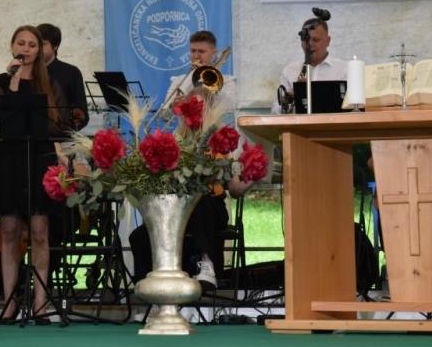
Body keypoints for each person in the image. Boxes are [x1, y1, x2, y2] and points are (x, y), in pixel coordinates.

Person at [131, 29, 250, 292]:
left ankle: (205, 264)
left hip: (208, 205)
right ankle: (147, 283)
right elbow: (165, 114)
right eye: (193, 51)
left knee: (199, 202)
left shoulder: (220, 124)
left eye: (201, 52)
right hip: (179, 205)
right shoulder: (179, 90)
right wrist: (182, 95)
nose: (196, 56)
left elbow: (226, 105)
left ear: (213, 53)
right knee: (140, 234)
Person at [0, 25, 67, 323]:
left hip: (39, 157)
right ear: (12, 47)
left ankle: (40, 302)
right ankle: (10, 302)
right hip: (9, 158)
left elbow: (59, 123)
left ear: (40, 50)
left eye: (32, 45)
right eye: (21, 43)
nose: (26, 49)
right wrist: (14, 78)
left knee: (39, 231)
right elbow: (4, 114)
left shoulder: (51, 84)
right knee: (9, 231)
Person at [271, 17, 346, 114]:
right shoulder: (289, 70)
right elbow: (276, 112)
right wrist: (292, 95)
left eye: (315, 40)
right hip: (298, 124)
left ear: (328, 41)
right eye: (305, 40)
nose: (309, 44)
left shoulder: (344, 69)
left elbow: (354, 109)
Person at [36, 23, 89, 131]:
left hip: (62, 136)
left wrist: (70, 127)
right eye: (36, 44)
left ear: (55, 46)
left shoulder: (71, 72)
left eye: (43, 44)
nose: (38, 48)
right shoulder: (27, 71)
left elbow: (81, 112)